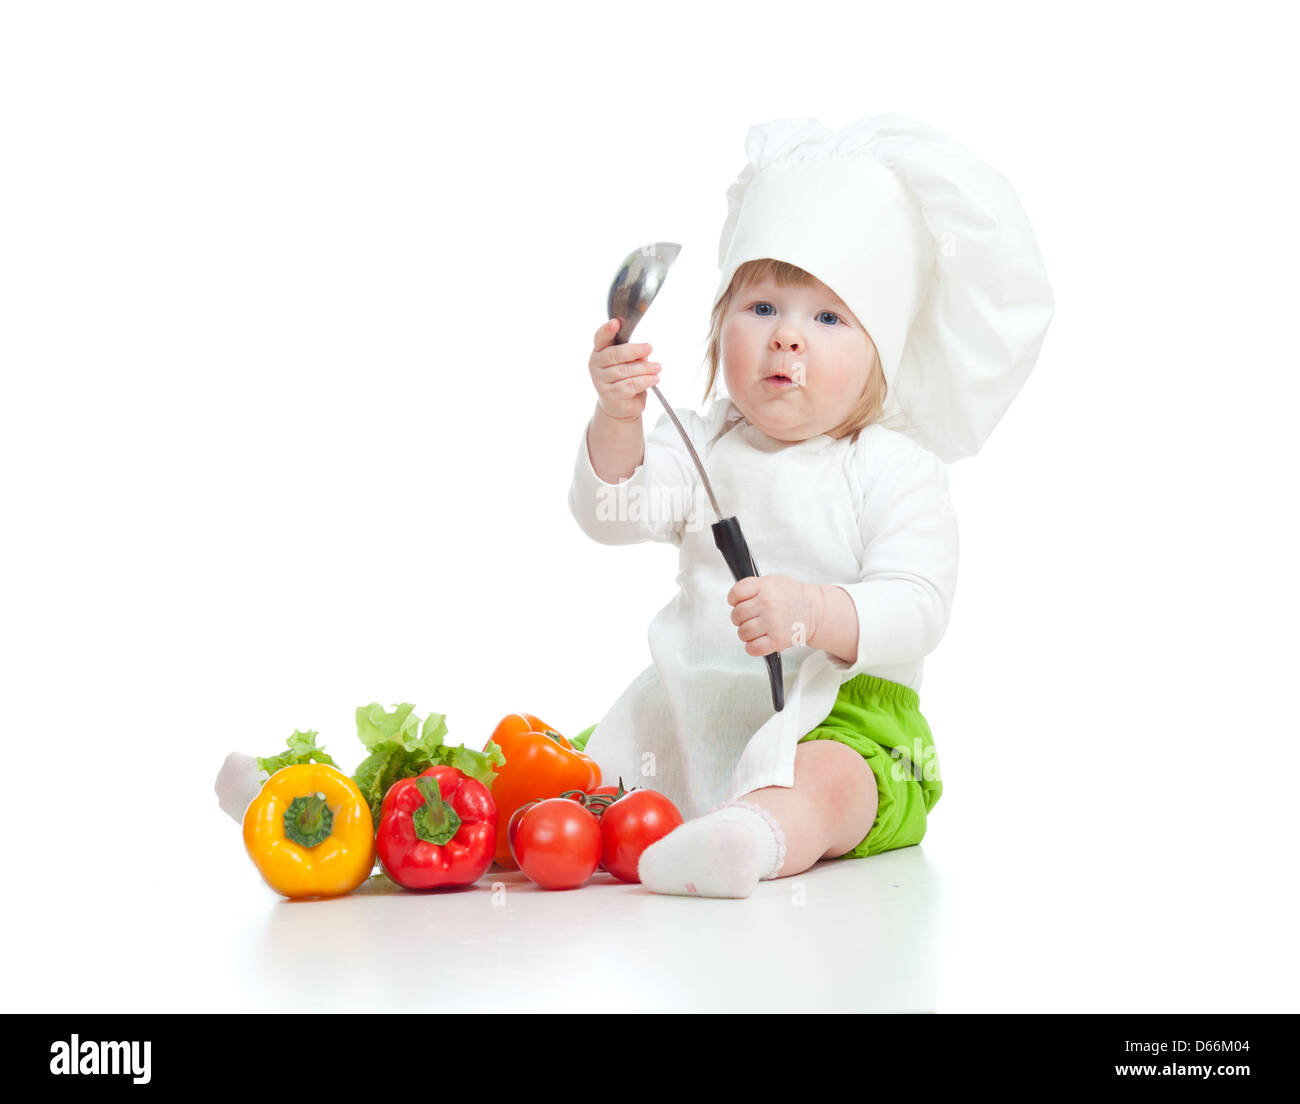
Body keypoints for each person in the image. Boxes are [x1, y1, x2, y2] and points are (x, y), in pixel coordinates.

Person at [567, 114, 1054, 898]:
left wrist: (814, 612)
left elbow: (920, 604)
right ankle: (559, 819)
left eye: (828, 318)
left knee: (833, 783)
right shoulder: (700, 445)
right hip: (699, 702)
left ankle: (753, 837)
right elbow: (611, 512)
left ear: (881, 357)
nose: (787, 339)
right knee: (591, 765)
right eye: (762, 308)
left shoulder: (893, 467)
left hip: (846, 717)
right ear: (719, 323)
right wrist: (618, 417)